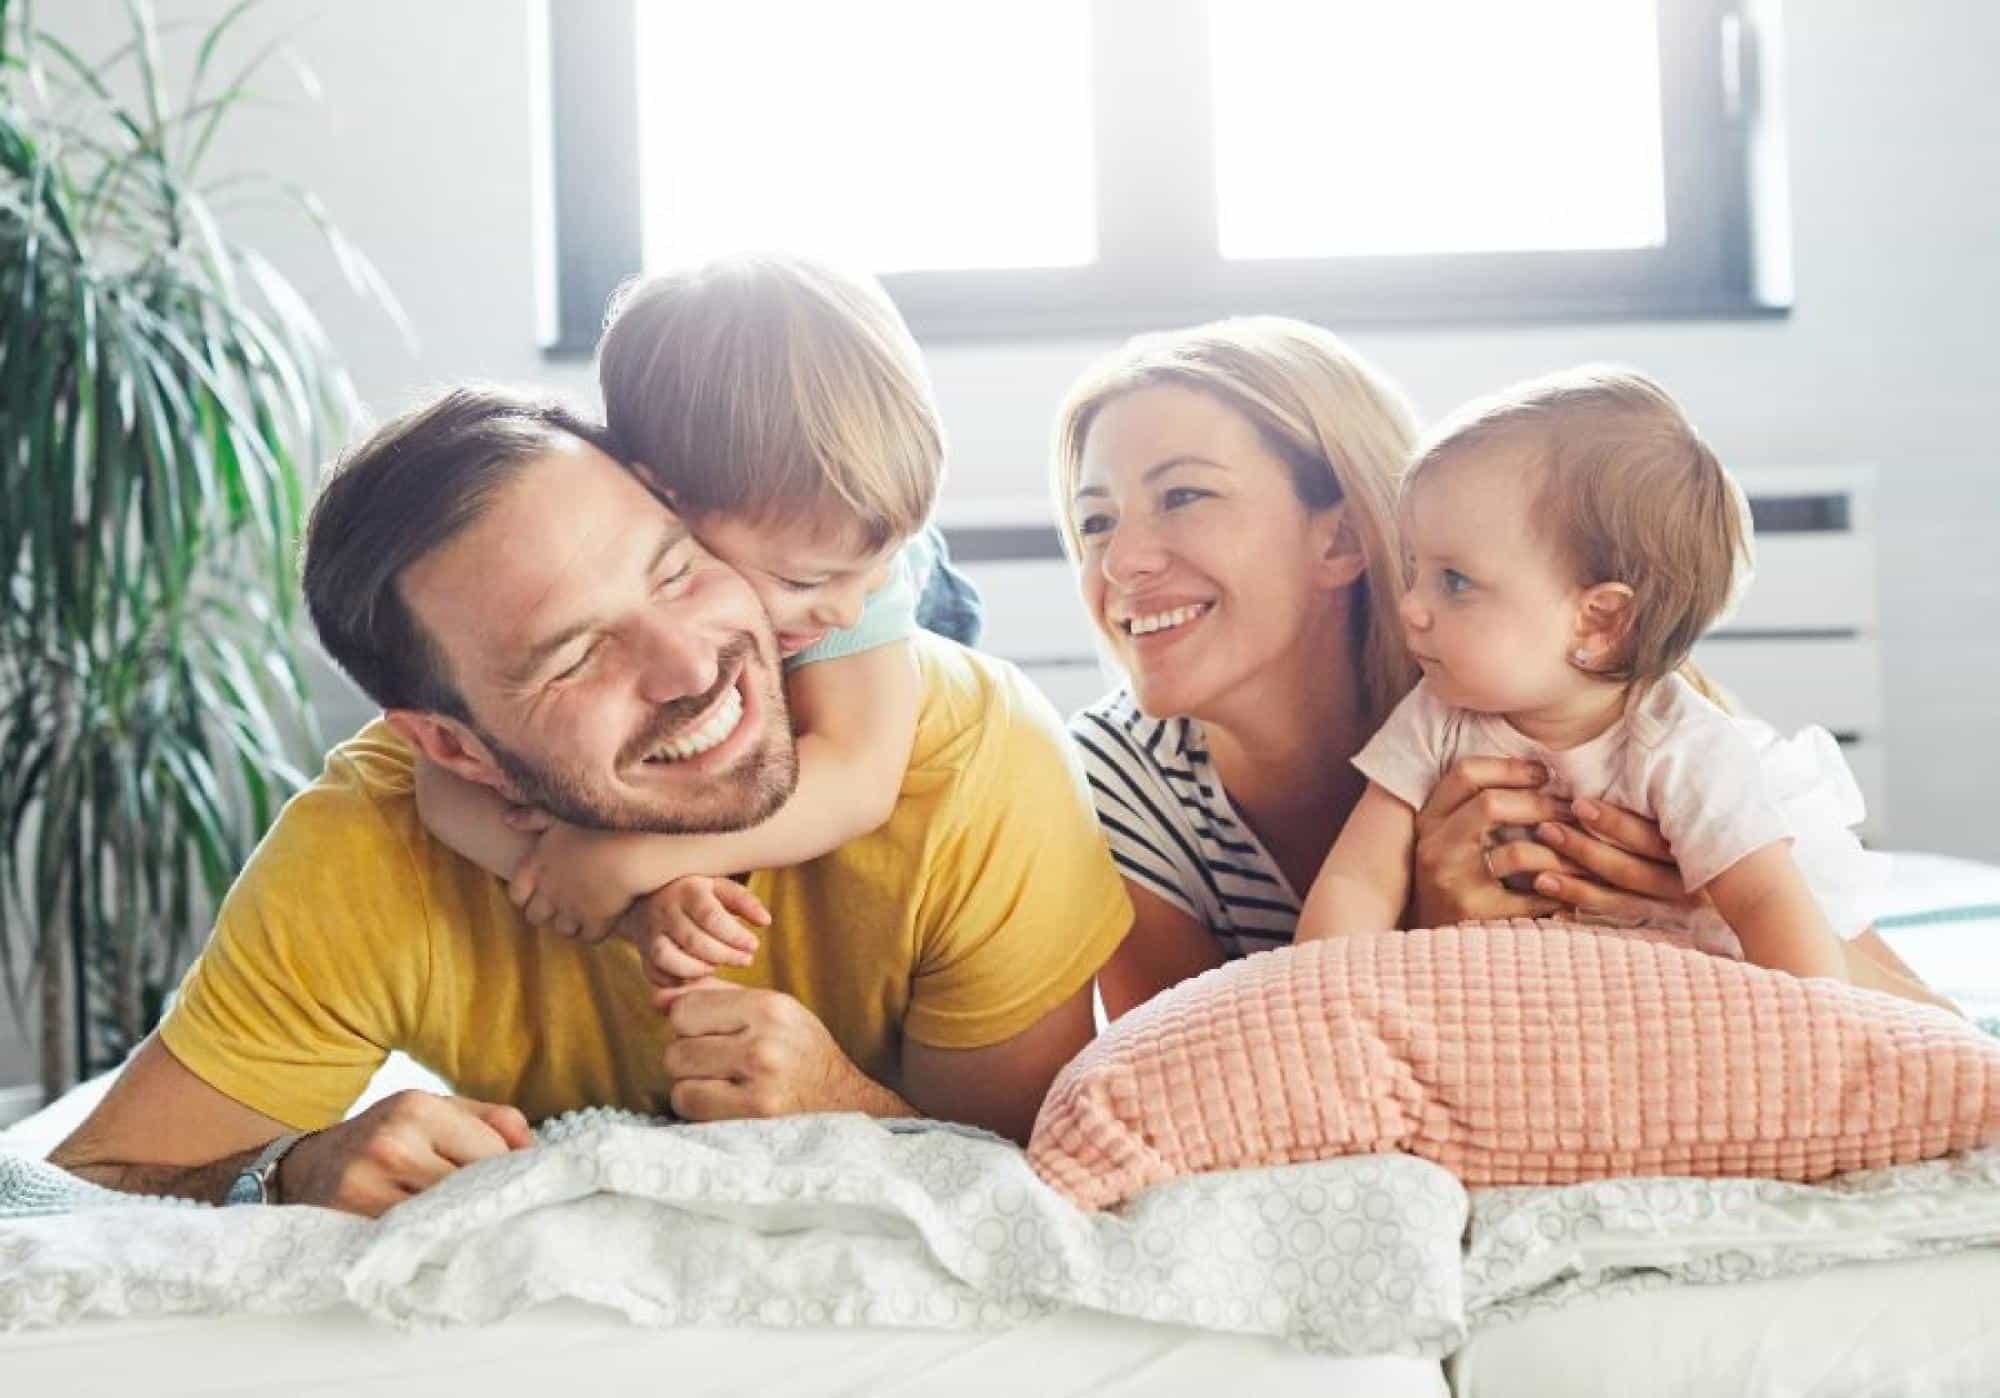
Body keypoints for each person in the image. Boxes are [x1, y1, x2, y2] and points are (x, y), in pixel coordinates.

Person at [49, 388, 1131, 1216]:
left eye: (676, 571)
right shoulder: (370, 847)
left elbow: (1041, 1191)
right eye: (575, 657)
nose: (689, 666)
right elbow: (73, 1191)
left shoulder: (963, 763)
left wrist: (845, 1109)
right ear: (452, 749)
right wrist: (291, 1169)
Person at [1053, 318, 1942, 1018]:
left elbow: (1916, 1021)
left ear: (1344, 537)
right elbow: (1187, 1071)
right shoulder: (1115, 782)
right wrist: (1429, 935)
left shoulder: (1551, 678)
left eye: (1183, 496)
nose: (1120, 561)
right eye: (1095, 521)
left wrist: (1703, 918)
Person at [415, 255, 973, 987]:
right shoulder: (589, 523)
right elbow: (442, 786)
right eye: (803, 581)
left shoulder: (855, 578)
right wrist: (583, 883)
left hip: (937, 606)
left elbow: (857, 779)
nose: (846, 607)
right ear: (661, 504)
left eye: (876, 563)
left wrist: (633, 859)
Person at [1293, 367, 1894, 988]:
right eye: (1414, 568)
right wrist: (1322, 994)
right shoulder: (1435, 716)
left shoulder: (1683, 747)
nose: (1410, 606)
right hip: (1502, 1001)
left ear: (1599, 620)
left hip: (1655, 999)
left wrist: (1811, 1015)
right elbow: (1358, 880)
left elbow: (1768, 902)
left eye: (1455, 581)